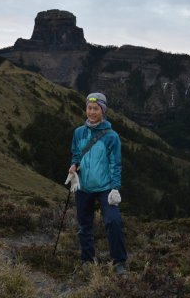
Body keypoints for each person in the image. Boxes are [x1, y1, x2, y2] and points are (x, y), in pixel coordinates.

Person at [65, 92, 128, 275]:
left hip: (106, 187)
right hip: (83, 186)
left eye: (96, 109)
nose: (91, 112)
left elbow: (115, 164)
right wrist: (74, 166)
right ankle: (87, 260)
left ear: (103, 111)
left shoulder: (111, 136)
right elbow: (76, 154)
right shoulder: (79, 133)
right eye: (89, 108)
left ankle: (119, 262)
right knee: (84, 225)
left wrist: (115, 188)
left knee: (113, 221)